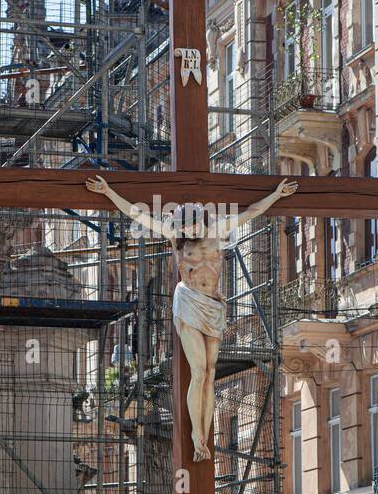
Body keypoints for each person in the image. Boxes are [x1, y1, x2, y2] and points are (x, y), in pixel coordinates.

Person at [85, 174, 298, 459]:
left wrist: (277, 195)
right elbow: (137, 213)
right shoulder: (176, 239)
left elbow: (253, 212)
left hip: (213, 306)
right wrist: (109, 191)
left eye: (191, 224)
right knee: (198, 371)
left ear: (200, 220)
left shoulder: (218, 231)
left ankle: (203, 435)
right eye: (184, 226)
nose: (188, 229)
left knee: (210, 374)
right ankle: (197, 434)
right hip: (187, 302)